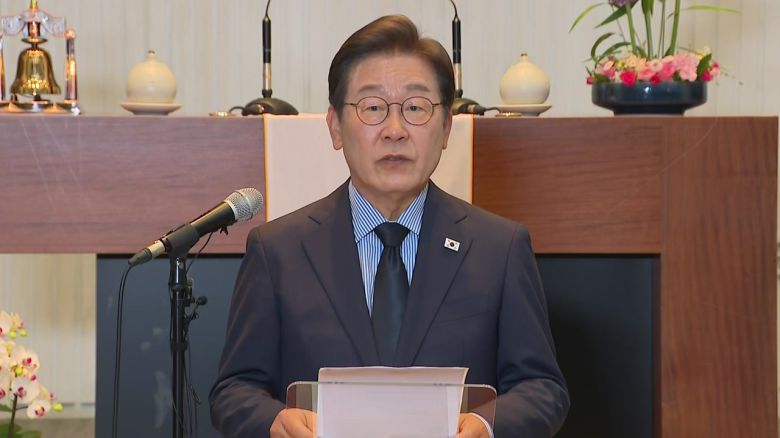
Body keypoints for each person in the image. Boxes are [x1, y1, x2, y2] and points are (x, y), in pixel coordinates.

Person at [209, 14, 569, 438]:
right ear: (335, 126)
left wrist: (486, 424)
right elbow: (234, 390)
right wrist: (274, 421)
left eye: (415, 107)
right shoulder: (278, 251)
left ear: (446, 127)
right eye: (373, 108)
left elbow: (543, 388)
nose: (395, 131)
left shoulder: (499, 247)